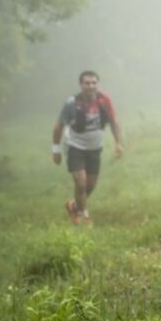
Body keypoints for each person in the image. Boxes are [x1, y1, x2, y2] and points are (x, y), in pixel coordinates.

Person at [51, 70, 124, 225]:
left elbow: (113, 122)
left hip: (95, 148)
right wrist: (56, 149)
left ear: (97, 84)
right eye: (87, 83)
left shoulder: (104, 100)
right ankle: (82, 215)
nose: (91, 86)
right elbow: (58, 126)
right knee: (81, 183)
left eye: (94, 83)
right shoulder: (71, 102)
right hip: (75, 147)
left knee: (90, 186)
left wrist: (118, 143)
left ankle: (74, 205)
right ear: (81, 85)